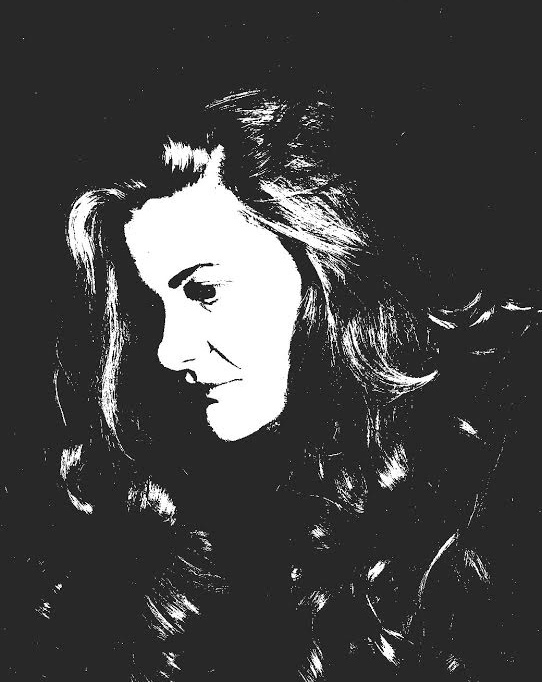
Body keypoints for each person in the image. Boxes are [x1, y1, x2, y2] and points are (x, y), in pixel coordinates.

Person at [4, 89, 535, 680]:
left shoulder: (507, 478)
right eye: (151, 308)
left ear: (325, 268)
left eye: (205, 291)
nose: (168, 352)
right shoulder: (202, 505)